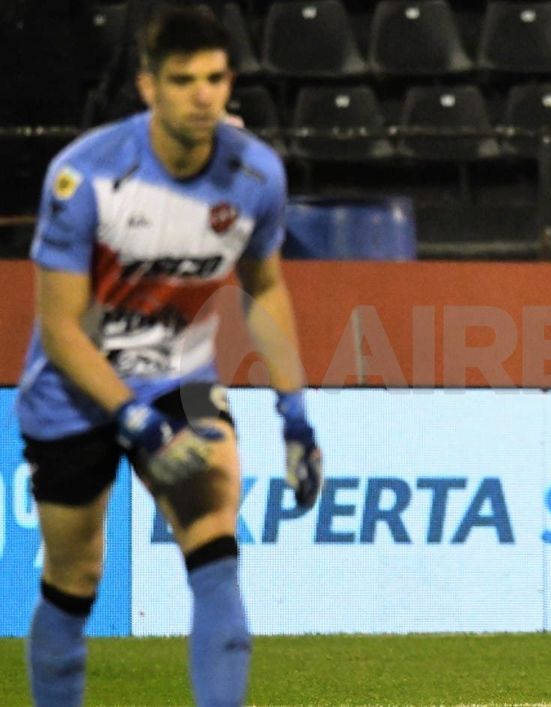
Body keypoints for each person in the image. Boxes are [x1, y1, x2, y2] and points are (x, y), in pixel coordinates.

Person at [18, 7, 322, 706]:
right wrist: (134, 421)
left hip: (181, 380)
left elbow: (265, 289)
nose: (202, 95)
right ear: (148, 86)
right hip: (74, 390)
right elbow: (60, 329)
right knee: (73, 578)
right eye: (183, 81)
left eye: (214, 78)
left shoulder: (256, 174)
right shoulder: (84, 176)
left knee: (215, 543)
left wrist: (296, 414)